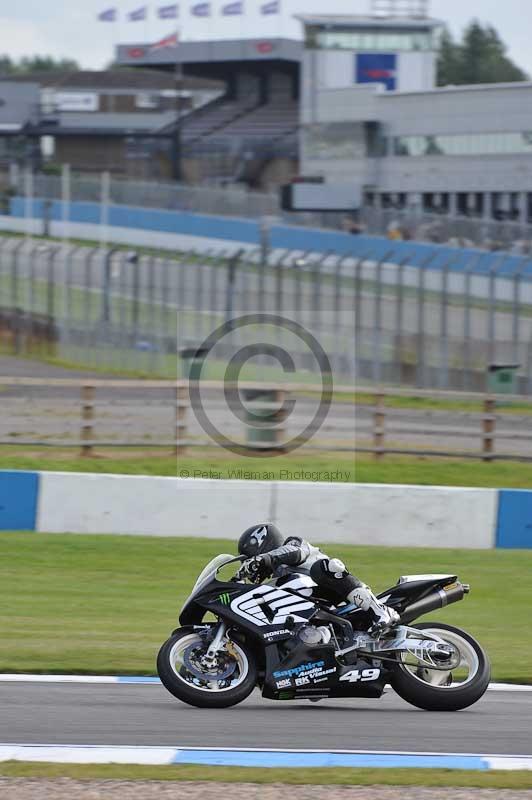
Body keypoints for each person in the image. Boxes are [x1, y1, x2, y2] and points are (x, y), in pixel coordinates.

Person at [237, 523, 399, 633]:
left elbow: (293, 552)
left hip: (340, 595)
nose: (250, 564)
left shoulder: (294, 544)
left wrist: (264, 558)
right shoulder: (278, 579)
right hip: (320, 612)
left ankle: (380, 610)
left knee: (322, 568)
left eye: (249, 558)